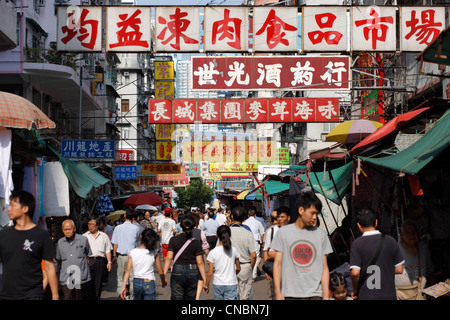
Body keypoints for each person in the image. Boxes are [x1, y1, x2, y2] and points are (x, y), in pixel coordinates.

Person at [271, 191, 333, 300]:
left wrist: (326, 294)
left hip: (315, 294)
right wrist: (278, 291)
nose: (314, 217)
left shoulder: (321, 235)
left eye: (317, 214)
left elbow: (324, 267)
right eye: (312, 213)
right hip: (290, 294)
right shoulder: (283, 232)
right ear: (301, 210)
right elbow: (277, 264)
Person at [0, 190, 59, 300]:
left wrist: (55, 295)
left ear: (25, 209)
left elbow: (49, 267)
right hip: (6, 295)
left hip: (33, 295)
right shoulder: (3, 235)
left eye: (13, 205)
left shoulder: (41, 235)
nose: (8, 209)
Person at [349, 208, 404, 300]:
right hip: (389, 295)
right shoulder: (391, 241)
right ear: (376, 222)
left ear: (359, 225)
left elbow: (355, 273)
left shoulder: (357, 244)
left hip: (367, 295)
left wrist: (355, 289)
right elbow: (399, 269)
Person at [163, 214, 207, 300]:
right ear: (193, 226)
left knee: (177, 296)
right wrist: (204, 279)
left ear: (181, 225)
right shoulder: (196, 242)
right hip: (193, 271)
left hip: (177, 270)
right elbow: (200, 262)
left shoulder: (173, 240)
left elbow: (168, 258)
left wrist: (163, 275)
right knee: (191, 297)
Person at [121, 228, 166, 300]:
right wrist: (163, 281)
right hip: (149, 282)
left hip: (136, 282)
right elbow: (160, 271)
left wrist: (124, 286)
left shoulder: (133, 252)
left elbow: (128, 271)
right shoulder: (154, 252)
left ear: (140, 237)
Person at [56, 219, 93, 300]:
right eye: (65, 230)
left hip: (81, 277)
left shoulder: (83, 240)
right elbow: (59, 259)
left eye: (69, 229)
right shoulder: (60, 242)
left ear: (74, 229)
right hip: (66, 278)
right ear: (62, 230)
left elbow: (88, 255)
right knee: (67, 297)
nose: (67, 232)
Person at [229, 206, 258, 300]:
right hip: (245, 266)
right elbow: (253, 255)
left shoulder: (225, 232)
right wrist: (251, 267)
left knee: (231, 295)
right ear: (244, 218)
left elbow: (218, 250)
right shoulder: (247, 232)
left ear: (232, 217)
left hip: (228, 266)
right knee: (245, 296)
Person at [111, 208, 141, 300]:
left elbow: (115, 243)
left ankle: (121, 295)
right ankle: (132, 297)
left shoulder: (118, 228)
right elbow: (137, 241)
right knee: (132, 278)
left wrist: (114, 256)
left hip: (121, 256)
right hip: (132, 257)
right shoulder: (136, 228)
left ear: (124, 216)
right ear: (133, 218)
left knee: (120, 277)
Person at [205, 225, 241, 300]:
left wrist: (206, 285)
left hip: (218, 283)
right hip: (231, 282)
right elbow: (238, 268)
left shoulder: (213, 252)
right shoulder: (234, 250)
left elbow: (210, 273)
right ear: (229, 235)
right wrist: (233, 274)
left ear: (217, 235)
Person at [397, 220, 435, 286]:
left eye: (414, 231)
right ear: (402, 235)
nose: (411, 235)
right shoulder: (396, 249)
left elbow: (430, 271)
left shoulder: (424, 247)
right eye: (407, 232)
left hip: (422, 291)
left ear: (418, 233)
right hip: (405, 293)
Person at [83, 217, 113, 300]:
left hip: (100, 261)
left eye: (93, 224)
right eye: (89, 224)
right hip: (88, 261)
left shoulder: (104, 236)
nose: (91, 226)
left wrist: (109, 262)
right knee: (88, 282)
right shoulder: (84, 236)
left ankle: (96, 297)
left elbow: (107, 250)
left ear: (97, 225)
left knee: (98, 282)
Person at [244, 207, 265, 279]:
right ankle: (253, 275)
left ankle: (246, 274)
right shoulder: (258, 223)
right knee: (255, 259)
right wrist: (262, 243)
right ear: (255, 215)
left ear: (248, 215)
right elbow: (262, 234)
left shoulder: (244, 223)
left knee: (247, 258)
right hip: (256, 242)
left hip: (246, 242)